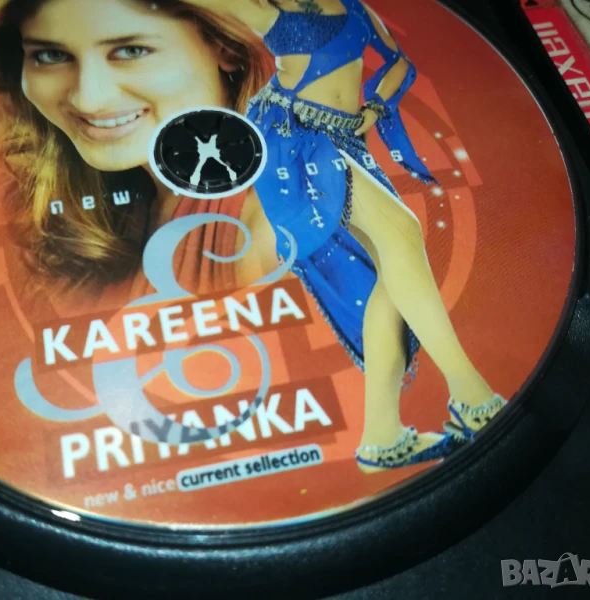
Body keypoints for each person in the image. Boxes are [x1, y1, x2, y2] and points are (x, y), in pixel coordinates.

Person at [180, 0, 508, 471]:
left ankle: (382, 439)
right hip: (292, 140)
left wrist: (373, 109)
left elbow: (397, 63)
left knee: (389, 277)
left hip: (344, 141)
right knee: (402, 233)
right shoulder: (271, 11)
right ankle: (473, 397)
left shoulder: (355, 7)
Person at [0, 0, 280, 310]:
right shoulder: (112, 207)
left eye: (132, 51)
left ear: (228, 48)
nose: (89, 99)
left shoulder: (268, 230)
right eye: (51, 55)